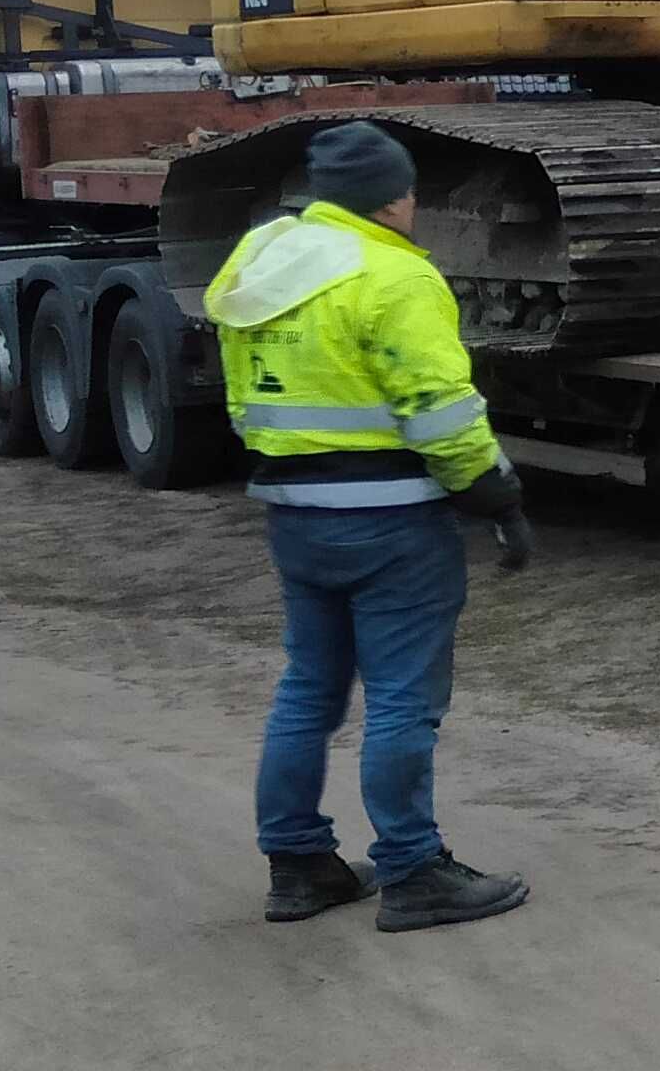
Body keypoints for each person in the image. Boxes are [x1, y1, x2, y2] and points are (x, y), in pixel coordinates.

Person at [204, 121, 536, 931]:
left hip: (293, 510)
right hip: (392, 520)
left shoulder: (265, 257)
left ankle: (298, 864)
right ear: (396, 197)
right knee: (401, 699)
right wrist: (495, 496)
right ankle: (414, 870)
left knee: (308, 690)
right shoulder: (395, 276)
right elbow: (441, 411)